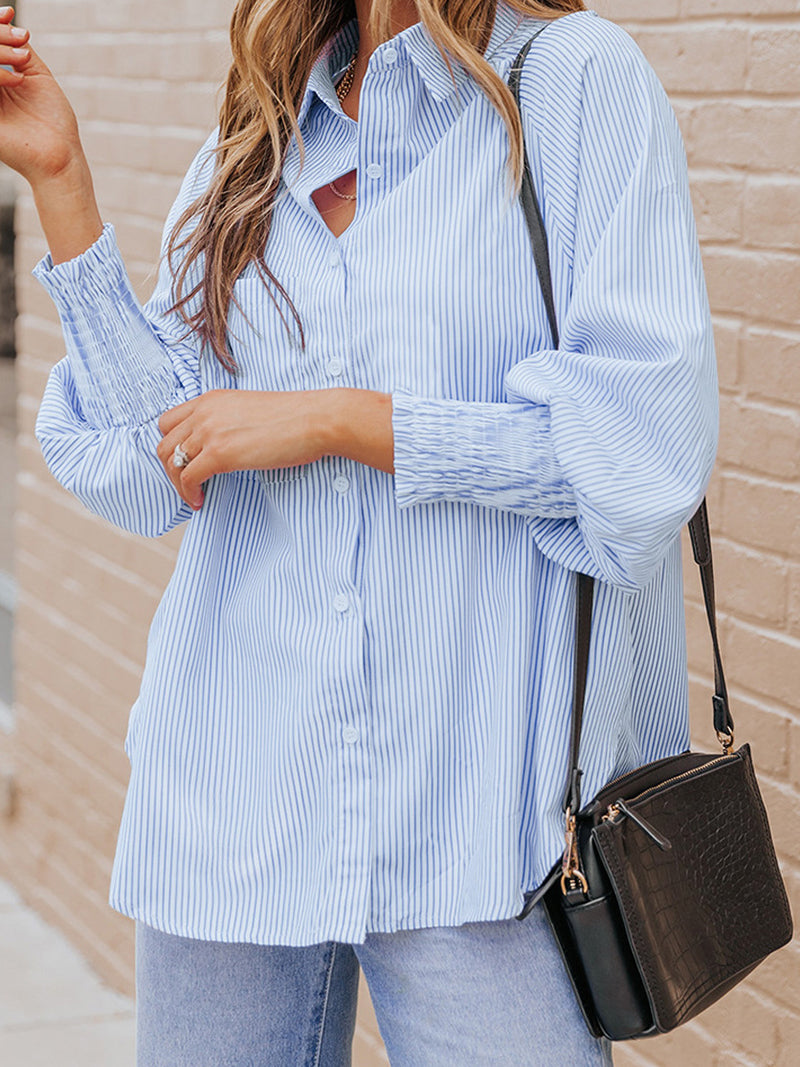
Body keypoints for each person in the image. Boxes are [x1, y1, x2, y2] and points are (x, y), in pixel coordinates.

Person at [1, 0, 718, 1062]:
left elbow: (640, 451)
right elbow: (148, 468)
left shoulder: (571, 83)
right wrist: (59, 180)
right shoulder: (260, 133)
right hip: (229, 789)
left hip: (481, 819)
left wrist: (348, 422)